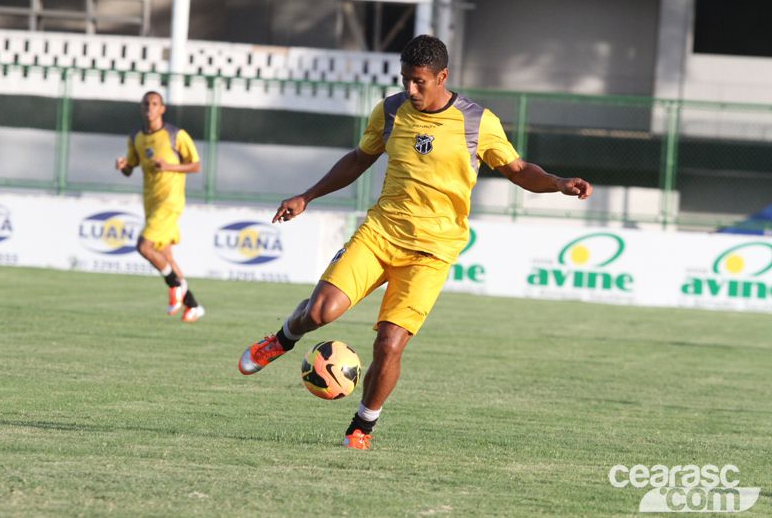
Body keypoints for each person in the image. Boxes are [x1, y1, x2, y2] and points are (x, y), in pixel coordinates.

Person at [239, 35, 591, 449]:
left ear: (442, 77)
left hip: (431, 252)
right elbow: (359, 159)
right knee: (320, 312)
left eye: (419, 81)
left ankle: (361, 427)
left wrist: (557, 183)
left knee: (389, 344)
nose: (410, 89)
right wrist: (307, 196)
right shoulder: (390, 110)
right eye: (405, 79)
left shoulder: (477, 122)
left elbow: (517, 170)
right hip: (380, 233)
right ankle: (280, 340)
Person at [115, 91, 205, 322]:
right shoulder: (136, 136)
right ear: (141, 108)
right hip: (151, 203)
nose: (150, 107)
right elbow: (130, 168)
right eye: (146, 103)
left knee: (144, 247)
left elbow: (195, 165)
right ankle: (193, 305)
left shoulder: (175, 134)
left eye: (154, 103)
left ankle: (175, 286)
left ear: (162, 109)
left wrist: (168, 167)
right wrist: (124, 166)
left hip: (170, 201)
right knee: (165, 256)